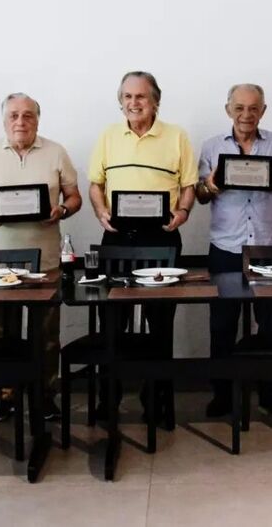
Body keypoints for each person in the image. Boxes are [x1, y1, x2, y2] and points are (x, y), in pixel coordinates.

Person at [88, 71, 197, 425]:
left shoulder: (177, 136)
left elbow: (189, 186)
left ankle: (158, 402)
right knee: (112, 322)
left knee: (160, 322)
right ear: (120, 100)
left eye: (142, 97)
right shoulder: (107, 136)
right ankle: (110, 399)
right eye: (128, 97)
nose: (134, 103)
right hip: (117, 239)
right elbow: (95, 184)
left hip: (160, 239)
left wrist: (181, 213)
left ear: (156, 101)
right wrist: (101, 211)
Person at [0, 92, 82, 422]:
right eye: (14, 115)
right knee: (1, 332)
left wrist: (61, 209)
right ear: (4, 121)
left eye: (28, 115)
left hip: (44, 261)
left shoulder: (56, 152)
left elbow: (75, 198)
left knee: (46, 334)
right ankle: (6, 396)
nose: (21, 121)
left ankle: (45, 395)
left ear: (38, 120)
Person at [196, 83, 272, 417]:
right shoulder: (211, 147)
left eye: (253, 108)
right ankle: (222, 394)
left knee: (270, 323)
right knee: (222, 324)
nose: (246, 115)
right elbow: (200, 194)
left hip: (267, 247)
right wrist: (212, 182)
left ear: (263, 111)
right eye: (239, 107)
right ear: (228, 110)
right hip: (225, 245)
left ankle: (271, 392)